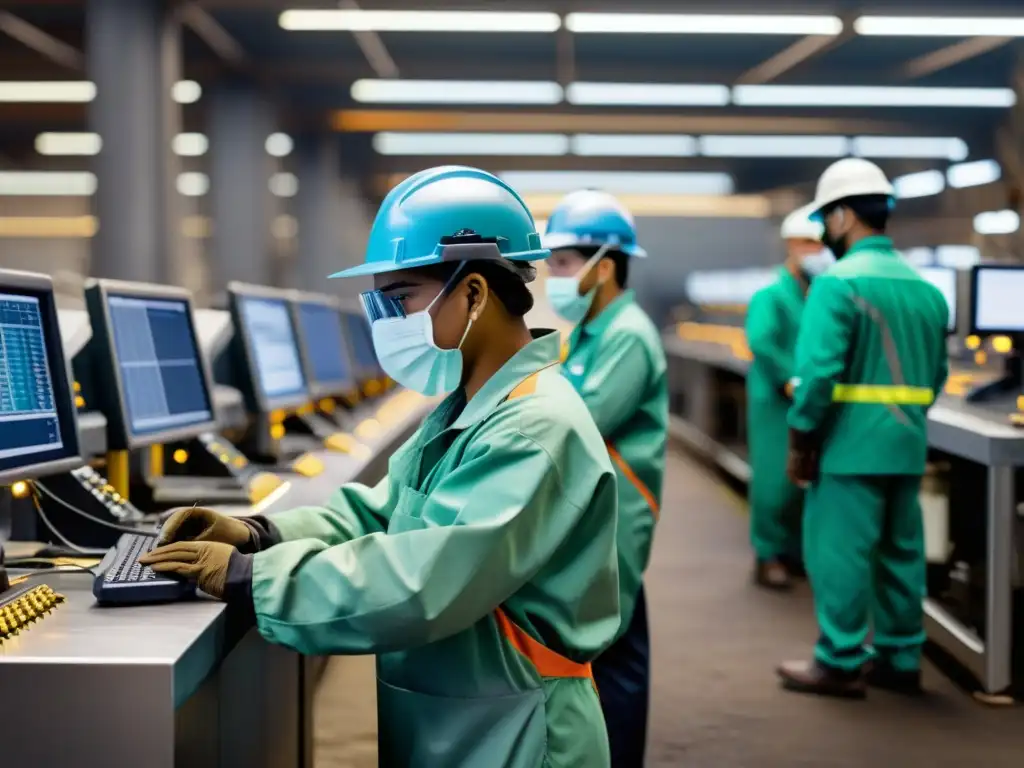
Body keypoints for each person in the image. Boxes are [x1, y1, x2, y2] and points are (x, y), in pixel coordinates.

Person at [140, 166, 622, 766]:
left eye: (401, 299)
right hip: (466, 716)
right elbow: (386, 512)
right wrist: (259, 533)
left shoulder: (533, 426)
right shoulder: (470, 404)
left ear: (473, 293)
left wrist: (251, 578)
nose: (388, 321)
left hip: (520, 731)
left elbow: (421, 580)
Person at [776, 158, 949, 698]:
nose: (824, 232)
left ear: (845, 216)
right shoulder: (926, 290)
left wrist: (803, 436)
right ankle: (900, 658)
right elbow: (937, 375)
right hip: (906, 445)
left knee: (840, 554)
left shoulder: (837, 286)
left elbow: (819, 376)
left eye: (827, 219)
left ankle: (839, 658)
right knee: (901, 554)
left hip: (847, 446)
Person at [543, 189, 668, 767]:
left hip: (618, 514)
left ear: (606, 265)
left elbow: (580, 423)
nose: (554, 275)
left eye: (565, 263)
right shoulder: (593, 332)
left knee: (609, 655)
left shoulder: (628, 335)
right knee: (614, 645)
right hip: (599, 512)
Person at [745, 204, 828, 590]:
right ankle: (768, 556)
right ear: (791, 244)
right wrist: (790, 380)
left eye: (820, 243)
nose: (815, 250)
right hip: (775, 400)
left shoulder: (819, 294)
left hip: (804, 398)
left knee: (801, 479)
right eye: (809, 243)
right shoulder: (771, 295)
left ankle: (794, 553)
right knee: (774, 481)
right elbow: (761, 341)